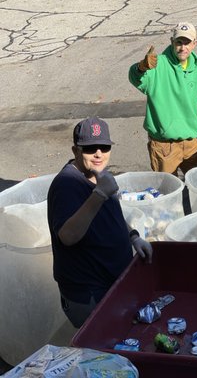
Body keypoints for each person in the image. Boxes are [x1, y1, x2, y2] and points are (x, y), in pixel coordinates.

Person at [47, 116, 153, 328]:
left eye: (104, 147)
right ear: (75, 151)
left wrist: (133, 237)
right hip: (89, 294)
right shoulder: (66, 185)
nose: (98, 153)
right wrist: (100, 194)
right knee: (102, 350)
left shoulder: (98, 175)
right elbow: (67, 236)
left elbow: (110, 216)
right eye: (90, 148)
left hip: (111, 283)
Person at [129, 21, 197, 175]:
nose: (183, 47)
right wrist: (141, 68)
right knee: (167, 192)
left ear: (194, 44)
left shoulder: (196, 68)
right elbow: (136, 78)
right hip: (164, 146)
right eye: (179, 42)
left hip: (190, 142)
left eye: (187, 43)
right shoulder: (158, 65)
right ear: (172, 42)